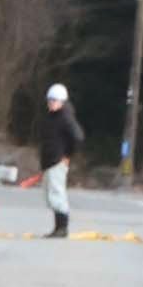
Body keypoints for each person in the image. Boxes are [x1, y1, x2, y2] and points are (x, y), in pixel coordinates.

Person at [38, 82, 85, 238]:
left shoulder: (65, 117)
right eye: (49, 100)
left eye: (54, 100)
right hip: (48, 162)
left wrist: (67, 155)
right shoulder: (51, 117)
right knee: (50, 196)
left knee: (57, 194)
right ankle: (58, 227)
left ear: (62, 101)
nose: (50, 103)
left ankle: (62, 228)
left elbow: (78, 137)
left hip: (57, 161)